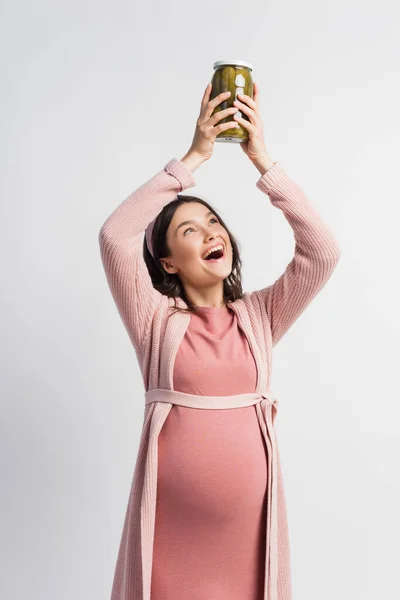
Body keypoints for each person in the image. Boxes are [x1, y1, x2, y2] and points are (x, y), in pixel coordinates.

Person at [98, 81, 341, 600]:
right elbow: (116, 236)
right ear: (167, 263)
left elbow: (322, 253)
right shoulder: (155, 322)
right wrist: (194, 157)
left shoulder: (260, 316)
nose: (210, 232)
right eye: (188, 231)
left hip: (247, 535)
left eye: (212, 221)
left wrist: (264, 162)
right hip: (170, 535)